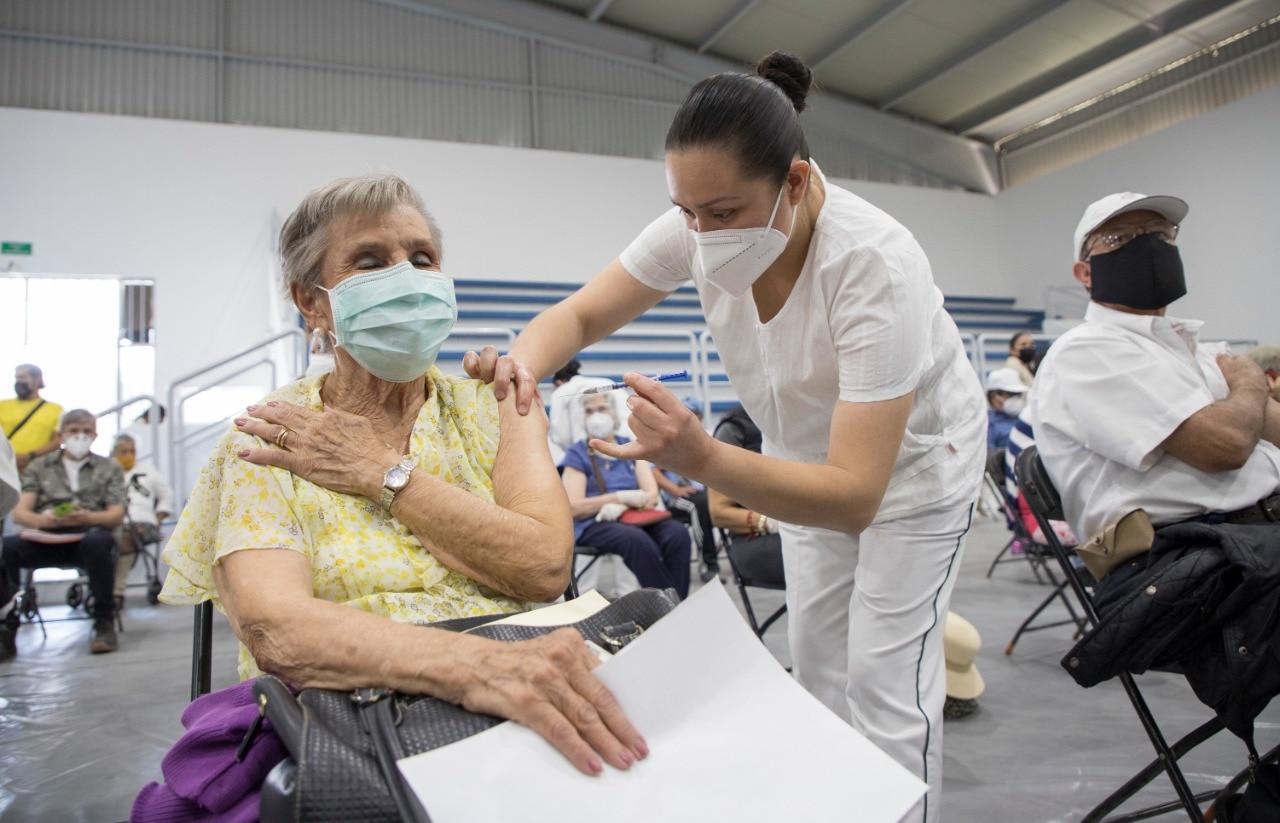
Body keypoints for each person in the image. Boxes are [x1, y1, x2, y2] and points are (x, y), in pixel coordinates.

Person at [467, 52, 986, 821]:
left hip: (913, 476)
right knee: (818, 670)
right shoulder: (697, 223)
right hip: (805, 465)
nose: (702, 236)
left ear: (796, 182)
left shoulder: (874, 264)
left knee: (887, 689)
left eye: (722, 212)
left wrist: (702, 456)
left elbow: (855, 495)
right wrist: (521, 365)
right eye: (686, 212)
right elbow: (579, 315)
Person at [158, 173, 646, 780]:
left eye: (422, 258)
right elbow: (277, 629)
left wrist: (380, 472)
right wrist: (475, 668)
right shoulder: (269, 436)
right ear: (311, 302)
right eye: (369, 261)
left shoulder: (496, 404)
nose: (407, 279)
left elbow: (544, 567)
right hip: (360, 716)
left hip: (529, 689)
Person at [1028, 191, 1280, 549]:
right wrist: (1250, 384)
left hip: (1251, 533)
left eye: (1161, 233)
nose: (1147, 246)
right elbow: (1226, 445)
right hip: (1193, 551)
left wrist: (1244, 397)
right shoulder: (1087, 350)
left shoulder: (1195, 350)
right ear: (1085, 272)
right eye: (1119, 238)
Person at [1, 409, 126, 658]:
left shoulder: (109, 467)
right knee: (8, 548)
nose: (80, 436)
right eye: (73, 431)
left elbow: (116, 515)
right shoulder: (40, 466)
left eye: (86, 431)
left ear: (95, 435)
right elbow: (20, 514)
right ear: (61, 435)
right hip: (45, 538)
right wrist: (47, 520)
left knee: (100, 542)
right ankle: (6, 627)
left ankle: (104, 621)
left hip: (88, 538)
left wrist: (87, 518)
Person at [560, 392, 691, 599]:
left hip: (635, 517)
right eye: (589, 411)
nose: (596, 415)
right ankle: (669, 604)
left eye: (602, 409)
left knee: (677, 534)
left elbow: (651, 495)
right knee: (635, 540)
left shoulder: (630, 446)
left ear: (614, 413)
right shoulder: (577, 454)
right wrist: (619, 497)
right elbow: (574, 507)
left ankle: (676, 601)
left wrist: (624, 505)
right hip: (594, 523)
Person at [707, 405, 784, 591]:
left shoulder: (800, 422)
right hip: (755, 538)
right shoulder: (734, 431)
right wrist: (770, 523)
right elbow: (719, 513)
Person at [651, 395, 719, 582]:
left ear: (700, 417)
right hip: (675, 497)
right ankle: (708, 565)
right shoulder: (666, 438)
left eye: (692, 413)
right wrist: (675, 490)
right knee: (699, 506)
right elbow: (653, 471)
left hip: (701, 491)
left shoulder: (707, 438)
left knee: (720, 500)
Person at [109, 433, 174, 605]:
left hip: (144, 523)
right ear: (113, 452)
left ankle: (116, 592)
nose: (129, 455)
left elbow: (166, 496)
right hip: (111, 522)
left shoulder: (148, 471)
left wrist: (158, 518)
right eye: (124, 451)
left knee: (126, 536)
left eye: (132, 451)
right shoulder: (105, 472)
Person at [1, 364, 64, 475]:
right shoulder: (2, 406)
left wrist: (28, 456)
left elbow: (57, 441)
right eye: (17, 378)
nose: (19, 382)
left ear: (37, 379)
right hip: (4, 469)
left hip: (37, 472)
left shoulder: (55, 409)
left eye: (23, 377)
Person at [985, 367, 1029, 450]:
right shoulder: (987, 425)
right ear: (994, 397)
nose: (1016, 399)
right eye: (1011, 395)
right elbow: (989, 455)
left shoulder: (1025, 419)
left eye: (1018, 395)